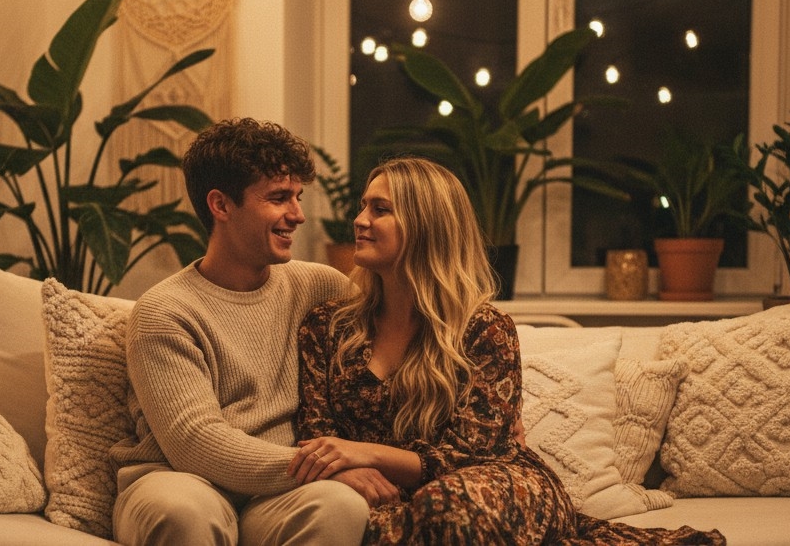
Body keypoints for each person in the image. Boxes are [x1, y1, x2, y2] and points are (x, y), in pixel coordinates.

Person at [290, 156, 726, 544]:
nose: (360, 220)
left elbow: (472, 453)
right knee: (382, 520)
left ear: (426, 226)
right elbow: (316, 434)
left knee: (448, 505)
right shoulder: (328, 326)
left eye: (380, 209)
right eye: (364, 206)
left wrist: (363, 452)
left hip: (492, 485)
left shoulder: (483, 329)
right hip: (385, 499)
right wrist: (344, 468)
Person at [110, 117, 372, 546]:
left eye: (298, 197)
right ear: (221, 205)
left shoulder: (319, 287)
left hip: (275, 494)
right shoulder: (165, 311)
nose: (298, 215)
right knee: (184, 512)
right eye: (279, 198)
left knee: (340, 505)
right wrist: (331, 465)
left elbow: (404, 328)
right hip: (178, 480)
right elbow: (195, 442)